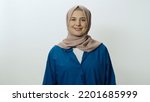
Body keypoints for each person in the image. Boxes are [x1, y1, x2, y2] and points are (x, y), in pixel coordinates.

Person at [43, 5, 116, 85]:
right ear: (68, 21)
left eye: (83, 20)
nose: (78, 24)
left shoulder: (101, 50)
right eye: (73, 19)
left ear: (88, 22)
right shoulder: (55, 52)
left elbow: (110, 83)